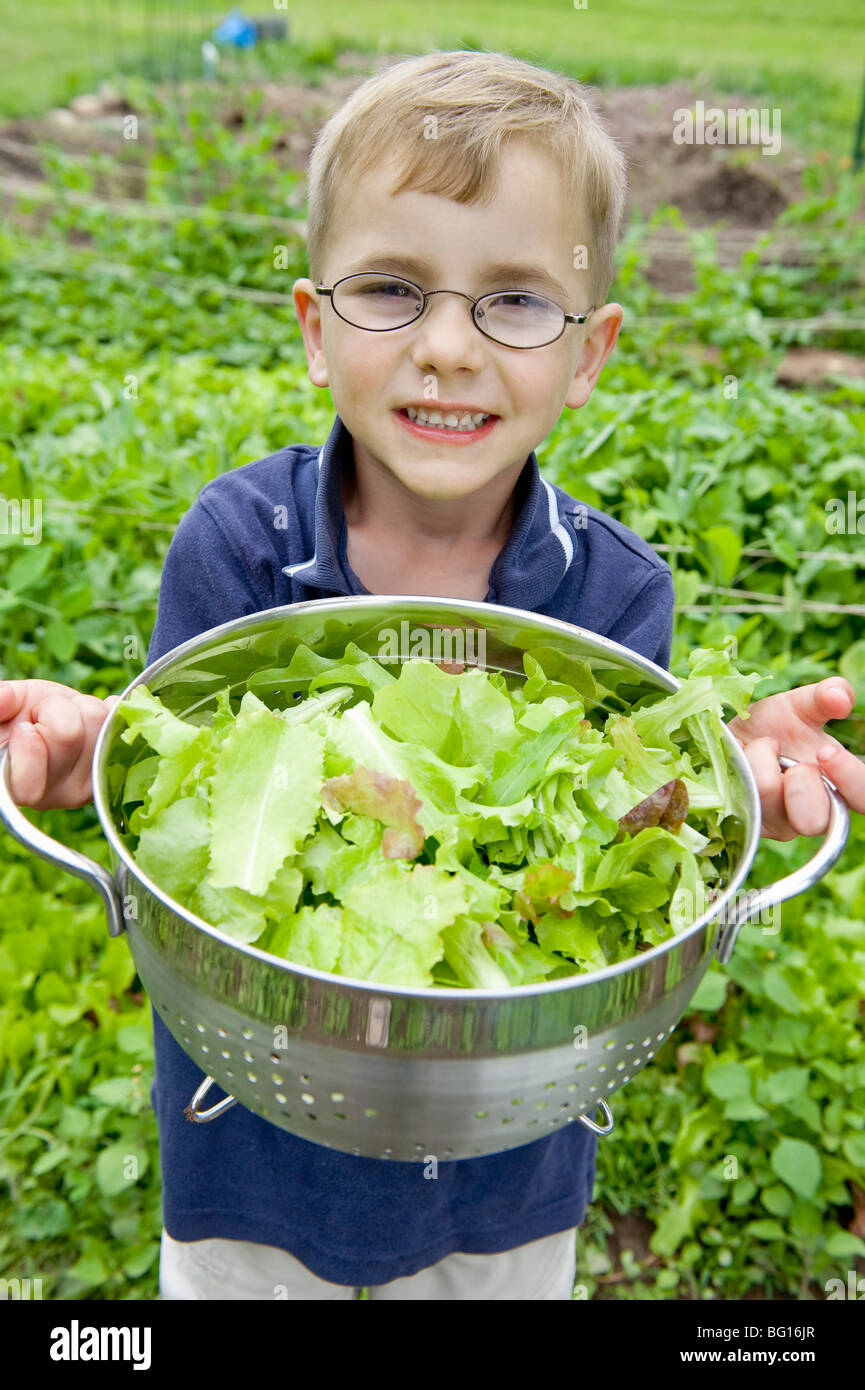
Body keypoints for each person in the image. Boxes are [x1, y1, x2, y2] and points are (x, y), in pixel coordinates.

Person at [1, 50, 863, 1301]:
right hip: (249, 1149)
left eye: (515, 302)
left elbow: (617, 856)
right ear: (312, 327)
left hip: (504, 1173)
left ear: (590, 354)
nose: (448, 348)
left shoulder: (616, 598)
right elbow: (175, 801)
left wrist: (717, 768)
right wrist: (99, 754)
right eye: (391, 289)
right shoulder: (238, 548)